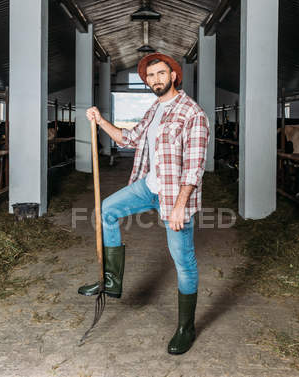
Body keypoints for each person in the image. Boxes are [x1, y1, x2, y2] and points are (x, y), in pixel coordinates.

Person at [78, 52, 210, 355]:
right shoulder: (155, 108)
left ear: (174, 75)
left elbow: (194, 166)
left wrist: (180, 205)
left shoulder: (193, 113)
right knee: (106, 210)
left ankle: (185, 327)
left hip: (175, 196)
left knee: (183, 261)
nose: (155, 80)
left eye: (161, 74)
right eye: (150, 76)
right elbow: (130, 139)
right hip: (149, 186)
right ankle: (111, 280)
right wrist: (100, 122)